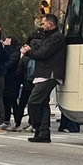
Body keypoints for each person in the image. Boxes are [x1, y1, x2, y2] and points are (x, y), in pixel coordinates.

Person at [20, 13, 67, 143]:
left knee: (33, 101)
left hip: (49, 74)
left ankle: (38, 127)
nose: (42, 26)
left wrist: (29, 51)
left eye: (43, 23)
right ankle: (43, 132)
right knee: (43, 104)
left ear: (50, 24)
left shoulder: (56, 38)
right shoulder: (49, 37)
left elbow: (43, 53)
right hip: (44, 73)